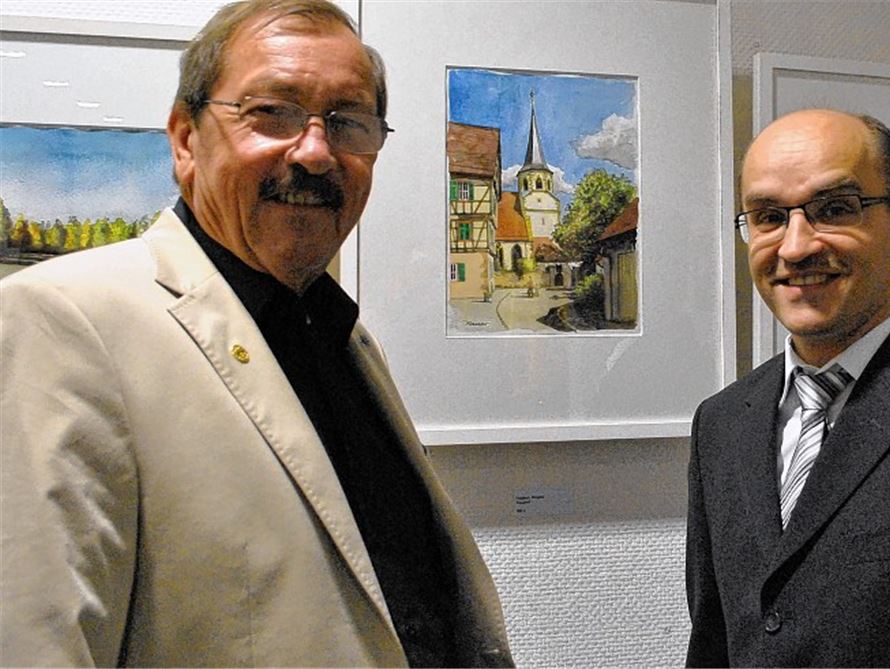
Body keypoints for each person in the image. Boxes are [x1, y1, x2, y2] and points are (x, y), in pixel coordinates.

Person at [0, 1, 513, 666]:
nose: (316, 151)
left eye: (349, 121)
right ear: (186, 138)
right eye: (273, 112)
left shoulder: (345, 341)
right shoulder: (62, 322)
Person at [685, 108, 890, 667]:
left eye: (835, 209)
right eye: (768, 217)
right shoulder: (721, 422)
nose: (794, 247)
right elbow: (715, 642)